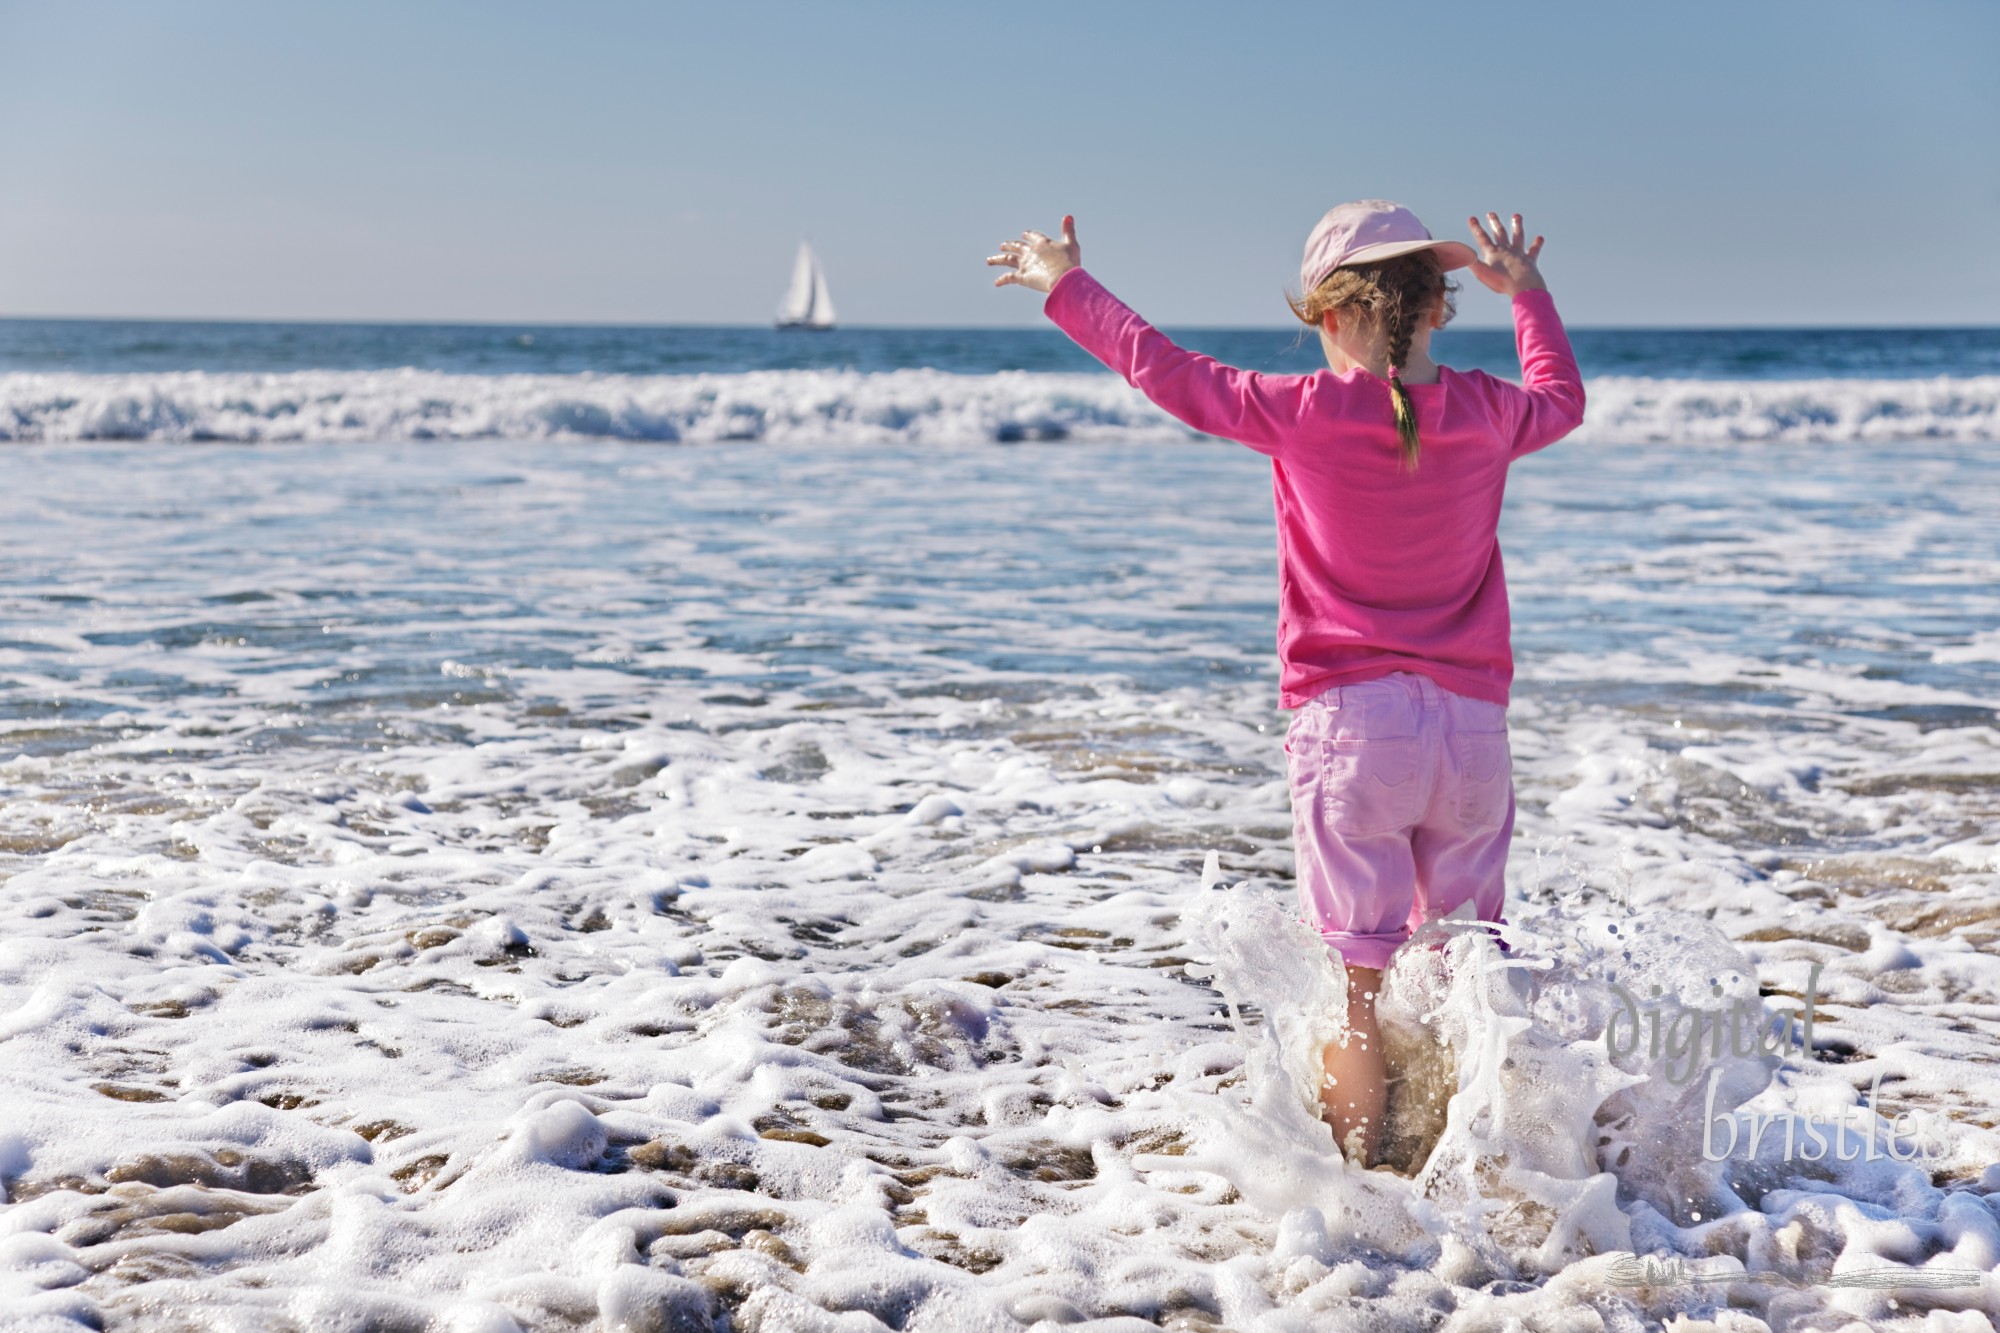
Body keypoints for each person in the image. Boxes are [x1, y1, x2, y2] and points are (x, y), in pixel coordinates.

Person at [985, 201, 1585, 1165]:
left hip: (1353, 729)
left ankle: (1362, 1193)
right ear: (1437, 309)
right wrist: (1531, 296)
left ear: (1333, 315)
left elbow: (1164, 370)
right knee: (1466, 963)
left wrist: (1065, 282)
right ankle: (1503, 1170)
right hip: (1472, 732)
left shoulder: (1300, 411)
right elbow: (1562, 398)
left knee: (1357, 981)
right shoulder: (1489, 410)